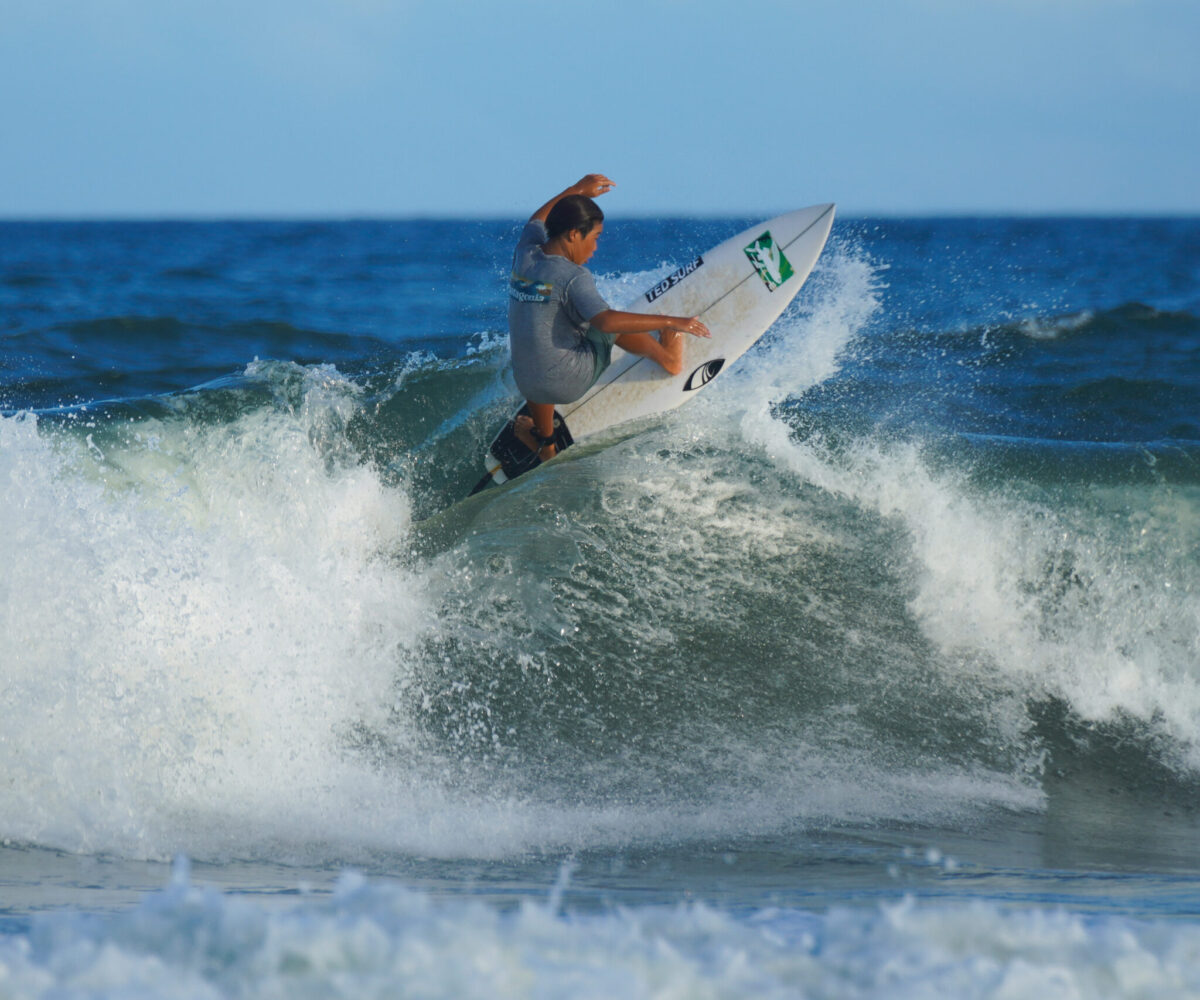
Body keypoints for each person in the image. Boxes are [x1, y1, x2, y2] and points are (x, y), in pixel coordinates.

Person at [507, 174, 711, 461]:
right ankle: (669, 359)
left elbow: (537, 219)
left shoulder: (525, 252)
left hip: (525, 379)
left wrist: (576, 191)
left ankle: (546, 444)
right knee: (601, 320)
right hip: (566, 384)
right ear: (574, 234)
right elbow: (607, 322)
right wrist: (671, 321)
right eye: (595, 238)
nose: (596, 248)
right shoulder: (574, 277)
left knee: (538, 332)